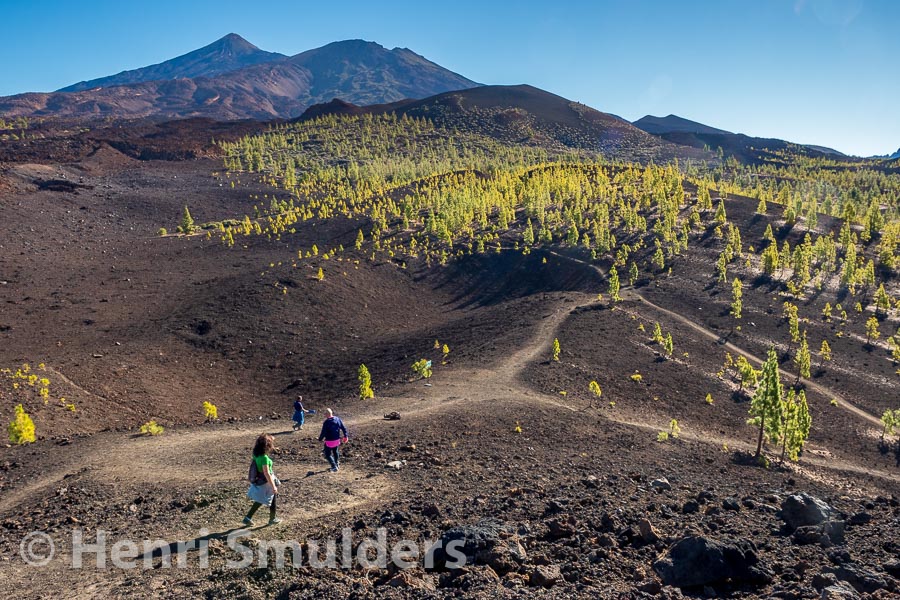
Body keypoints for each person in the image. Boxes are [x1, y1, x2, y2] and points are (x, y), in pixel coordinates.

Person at [243, 433, 282, 526]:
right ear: (267, 446)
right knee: (269, 498)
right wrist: (273, 486)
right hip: (266, 482)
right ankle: (272, 519)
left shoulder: (256, 455)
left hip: (261, 480)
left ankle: (248, 518)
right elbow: (267, 473)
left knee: (263, 500)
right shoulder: (264, 458)